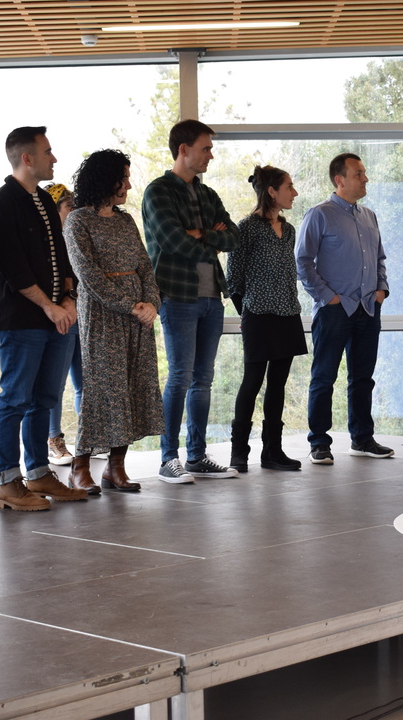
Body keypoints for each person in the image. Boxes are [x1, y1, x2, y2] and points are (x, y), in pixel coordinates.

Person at [0, 126, 87, 510]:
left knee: (45, 398)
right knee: (15, 400)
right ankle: (8, 484)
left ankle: (39, 474)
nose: (53, 158)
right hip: (21, 321)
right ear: (27, 158)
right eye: (47, 152)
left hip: (56, 318)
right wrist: (50, 306)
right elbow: (13, 269)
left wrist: (69, 299)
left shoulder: (43, 199)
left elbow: (63, 256)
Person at [142, 119, 241, 483]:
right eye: (206, 148)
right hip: (177, 296)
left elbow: (233, 238)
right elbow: (172, 242)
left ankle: (197, 457)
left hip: (212, 297)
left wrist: (200, 234)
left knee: (203, 379)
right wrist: (208, 236)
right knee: (180, 377)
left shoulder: (208, 194)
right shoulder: (158, 192)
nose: (210, 155)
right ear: (183, 150)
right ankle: (168, 459)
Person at [64, 149, 164, 493]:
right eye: (123, 179)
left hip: (138, 316)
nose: (128, 186)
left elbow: (145, 266)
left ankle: (115, 466)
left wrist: (151, 304)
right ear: (105, 179)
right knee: (103, 389)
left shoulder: (125, 220)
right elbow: (88, 275)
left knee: (133, 385)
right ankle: (79, 465)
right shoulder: (78, 221)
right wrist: (130, 305)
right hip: (103, 316)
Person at [296, 153, 392, 465]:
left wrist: (381, 291)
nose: (365, 179)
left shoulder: (369, 216)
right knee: (324, 378)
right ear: (340, 180)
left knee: (363, 378)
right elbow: (302, 262)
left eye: (364, 173)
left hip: (368, 308)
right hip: (334, 311)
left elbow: (379, 259)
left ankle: (362, 440)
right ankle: (319, 443)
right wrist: (328, 297)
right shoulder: (319, 214)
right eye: (358, 174)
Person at [226, 166, 308, 472]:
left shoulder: (289, 230)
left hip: (288, 314)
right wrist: (248, 312)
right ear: (272, 191)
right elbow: (233, 279)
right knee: (252, 382)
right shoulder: (246, 228)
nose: (294, 192)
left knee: (278, 384)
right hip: (258, 316)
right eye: (289, 187)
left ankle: (273, 451)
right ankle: (239, 452)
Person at [43, 182, 84, 466]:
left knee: (85, 383)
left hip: (82, 316)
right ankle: (53, 440)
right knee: (55, 385)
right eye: (70, 206)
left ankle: (88, 439)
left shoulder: (76, 236)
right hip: (59, 317)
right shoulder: (47, 242)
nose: (74, 211)